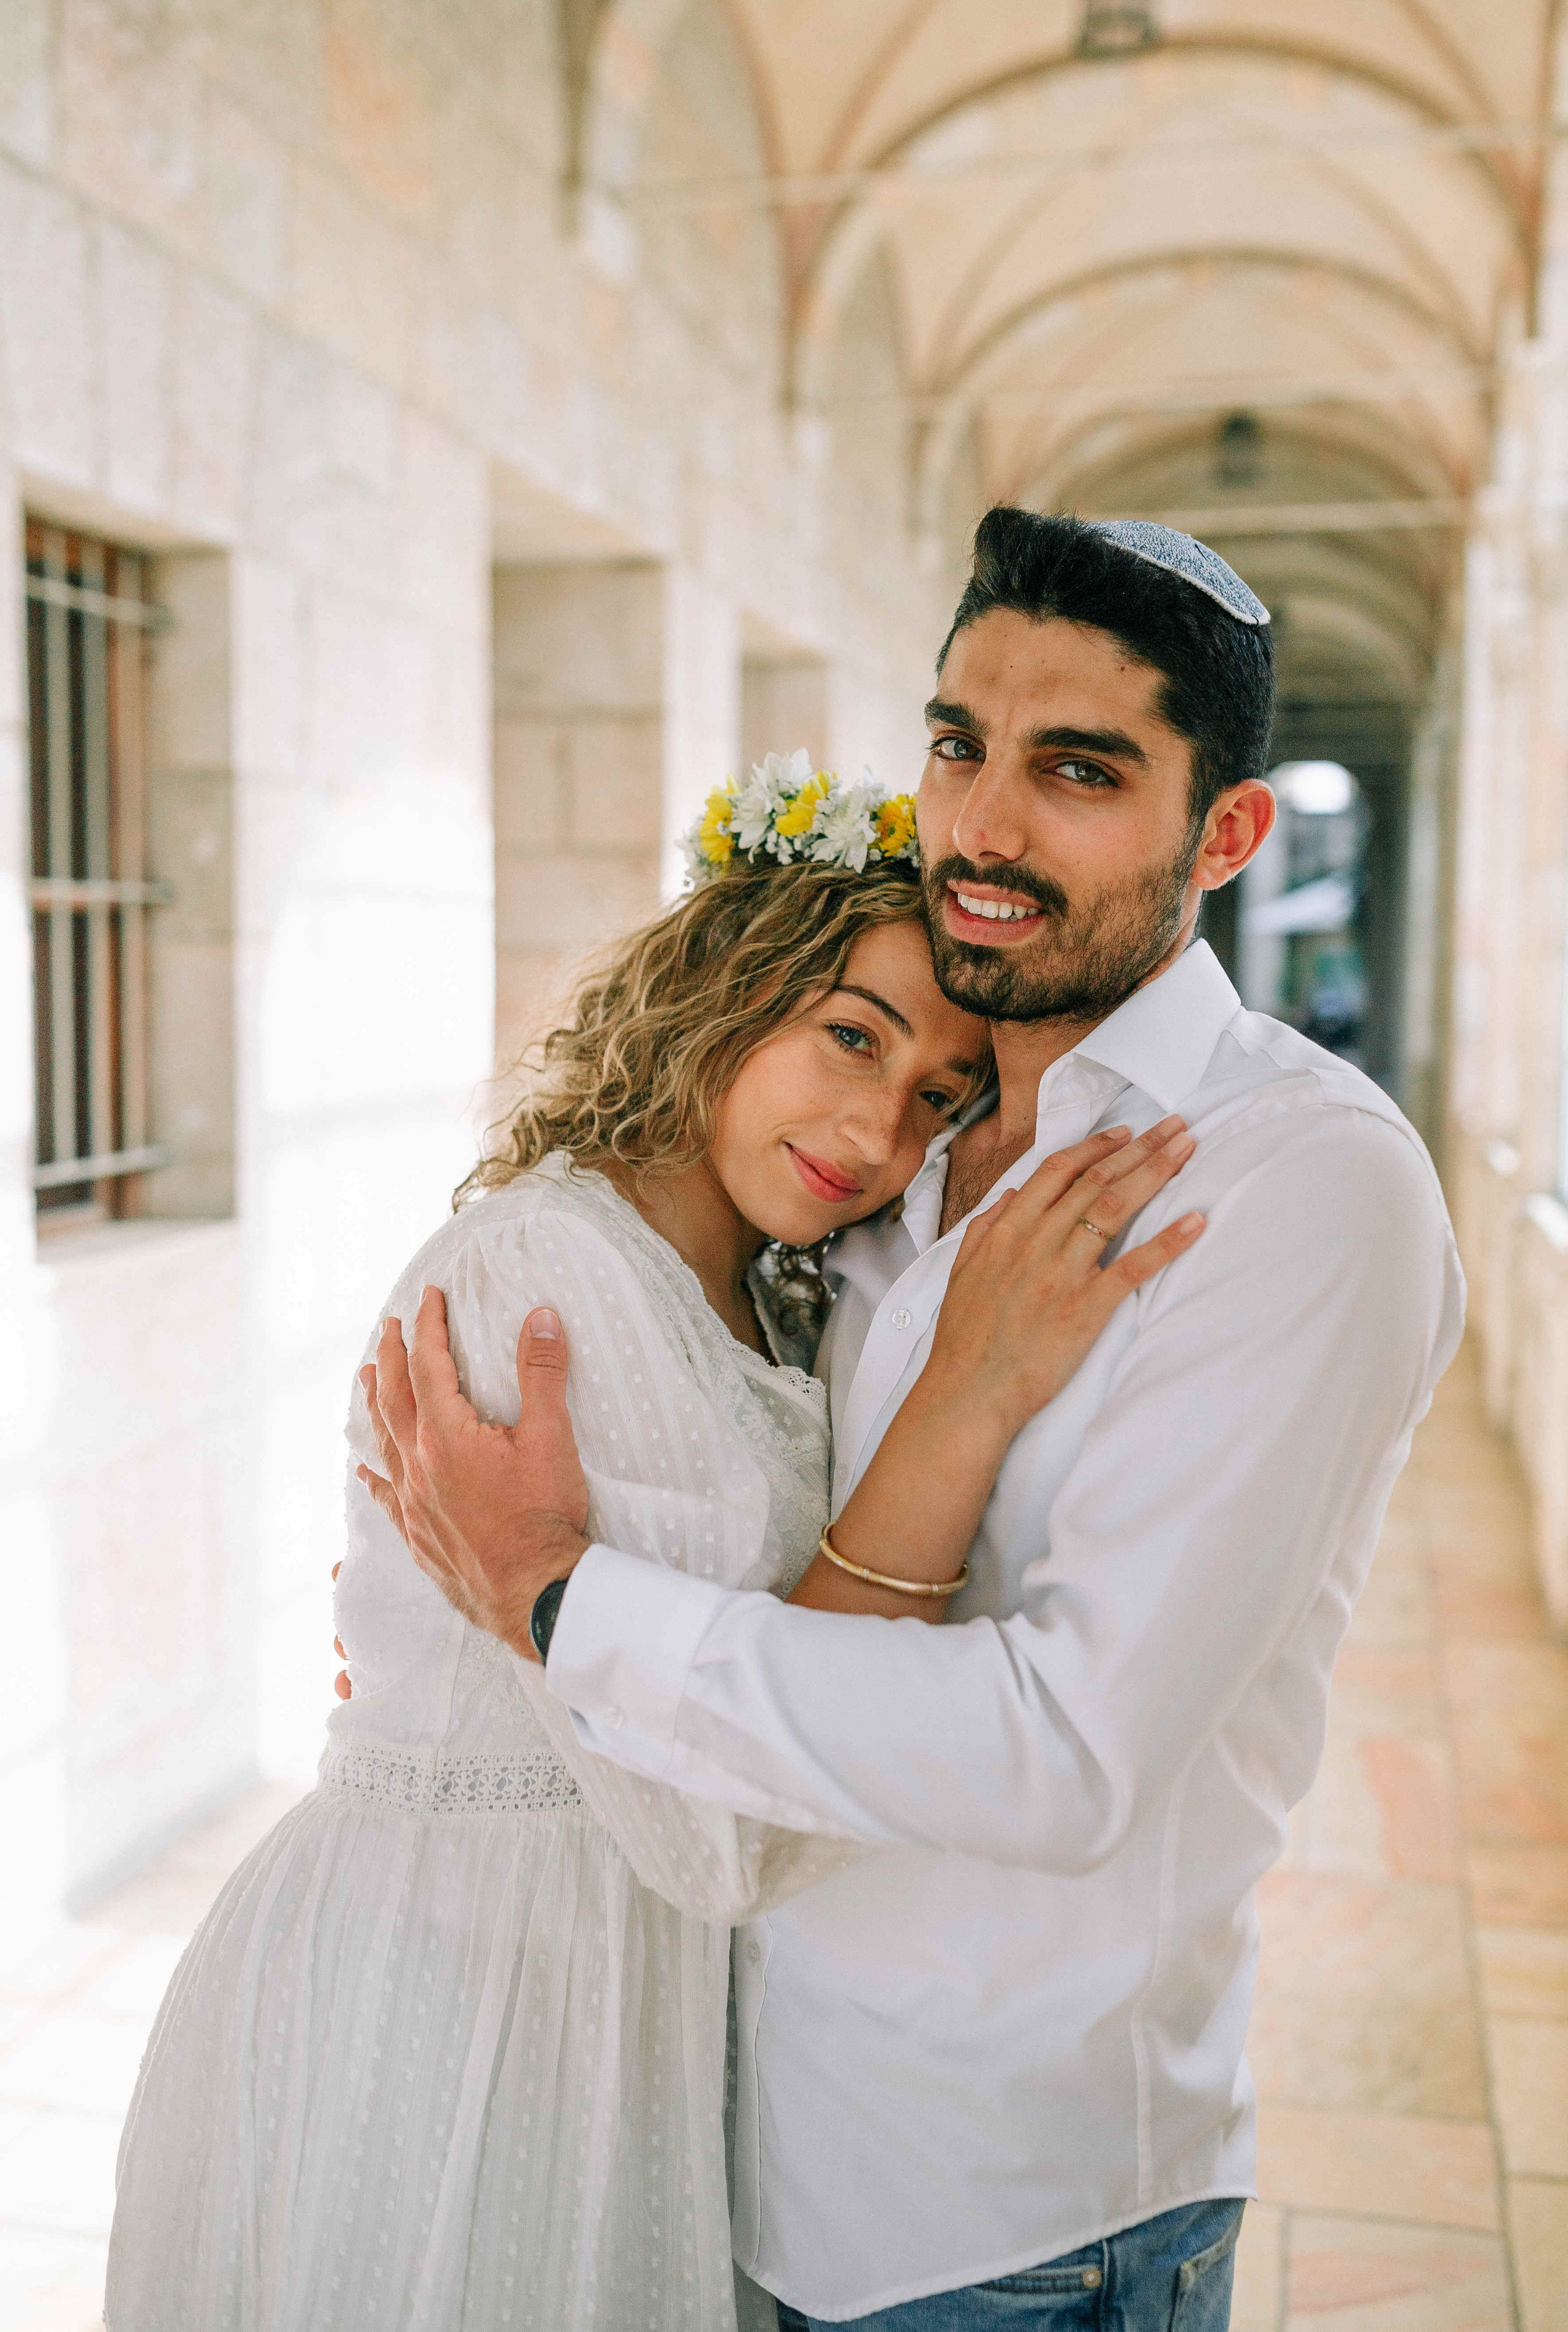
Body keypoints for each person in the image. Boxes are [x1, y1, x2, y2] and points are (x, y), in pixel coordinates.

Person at [358, 511, 1465, 2330]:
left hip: (1004, 2217)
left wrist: (556, 1608)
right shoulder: (906, 1148)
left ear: (1230, 833)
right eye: (959, 746)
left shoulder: (1303, 1185)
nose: (986, 825)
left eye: (1079, 771)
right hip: (717, 2136)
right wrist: (468, 1671)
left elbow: (1066, 1750)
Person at [106, 755, 1202, 2332]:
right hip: (457, 1991)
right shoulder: (553, 1274)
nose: (875, 1129)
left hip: (614, 1988)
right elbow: (723, 1834)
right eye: (849, 1034)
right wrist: (969, 1386)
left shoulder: (767, 1289)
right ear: (724, 988)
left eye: (935, 1099)